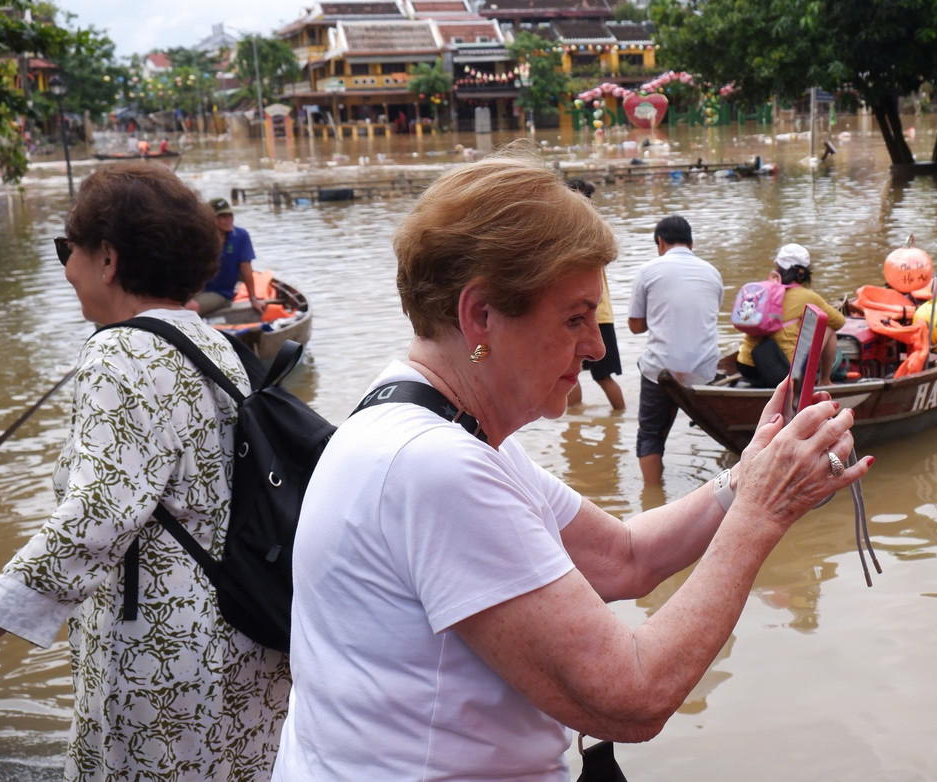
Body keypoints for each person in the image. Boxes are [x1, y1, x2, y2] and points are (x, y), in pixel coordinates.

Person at [271, 151, 872, 780]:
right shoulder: (437, 468)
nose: (593, 346)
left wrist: (746, 476)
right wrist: (761, 513)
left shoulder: (423, 420)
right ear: (481, 315)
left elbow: (624, 558)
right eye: (575, 318)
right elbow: (631, 697)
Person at [0, 163, 291, 779]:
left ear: (107, 259)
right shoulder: (216, 347)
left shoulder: (119, 349)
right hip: (242, 637)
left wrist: (3, 611)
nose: (68, 269)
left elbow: (101, 510)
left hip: (159, 656)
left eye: (65, 251)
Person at [627, 215, 724, 484]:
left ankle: (653, 496)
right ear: (691, 243)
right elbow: (707, 316)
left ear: (660, 242)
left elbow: (635, 326)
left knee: (649, 435)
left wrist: (658, 316)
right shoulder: (712, 272)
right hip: (703, 372)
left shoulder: (648, 270)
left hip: (660, 370)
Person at [735, 243, 846, 389]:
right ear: (805, 272)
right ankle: (824, 381)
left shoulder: (762, 291)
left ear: (776, 266)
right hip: (779, 370)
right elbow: (839, 321)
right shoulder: (808, 296)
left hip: (745, 366)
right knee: (829, 329)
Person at [564, 177, 625, 410]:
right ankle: (611, 424)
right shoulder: (597, 229)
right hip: (596, 314)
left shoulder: (582, 232)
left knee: (588, 375)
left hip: (592, 315)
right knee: (576, 375)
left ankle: (613, 421)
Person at [190, 197, 266, 316]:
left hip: (220, 293)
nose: (229, 219)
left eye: (230, 215)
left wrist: (253, 299)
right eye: (223, 216)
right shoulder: (201, 237)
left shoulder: (241, 236)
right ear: (212, 219)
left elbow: (246, 269)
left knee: (190, 308)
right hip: (196, 290)